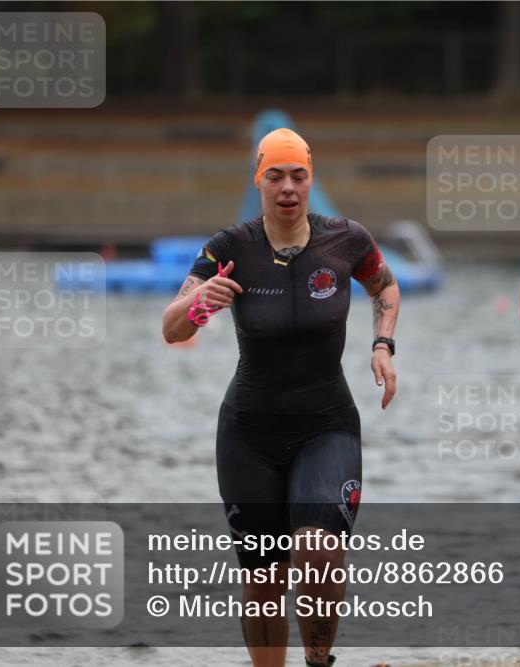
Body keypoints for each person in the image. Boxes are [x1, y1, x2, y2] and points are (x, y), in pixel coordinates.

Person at [162, 128, 400, 667]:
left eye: (298, 176)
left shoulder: (346, 240)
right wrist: (201, 301)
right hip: (249, 432)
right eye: (275, 176)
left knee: (319, 550)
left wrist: (383, 344)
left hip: (326, 424)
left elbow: (384, 285)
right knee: (264, 577)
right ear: (259, 181)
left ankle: (318, 662)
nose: (287, 187)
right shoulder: (229, 248)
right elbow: (172, 329)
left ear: (311, 180)